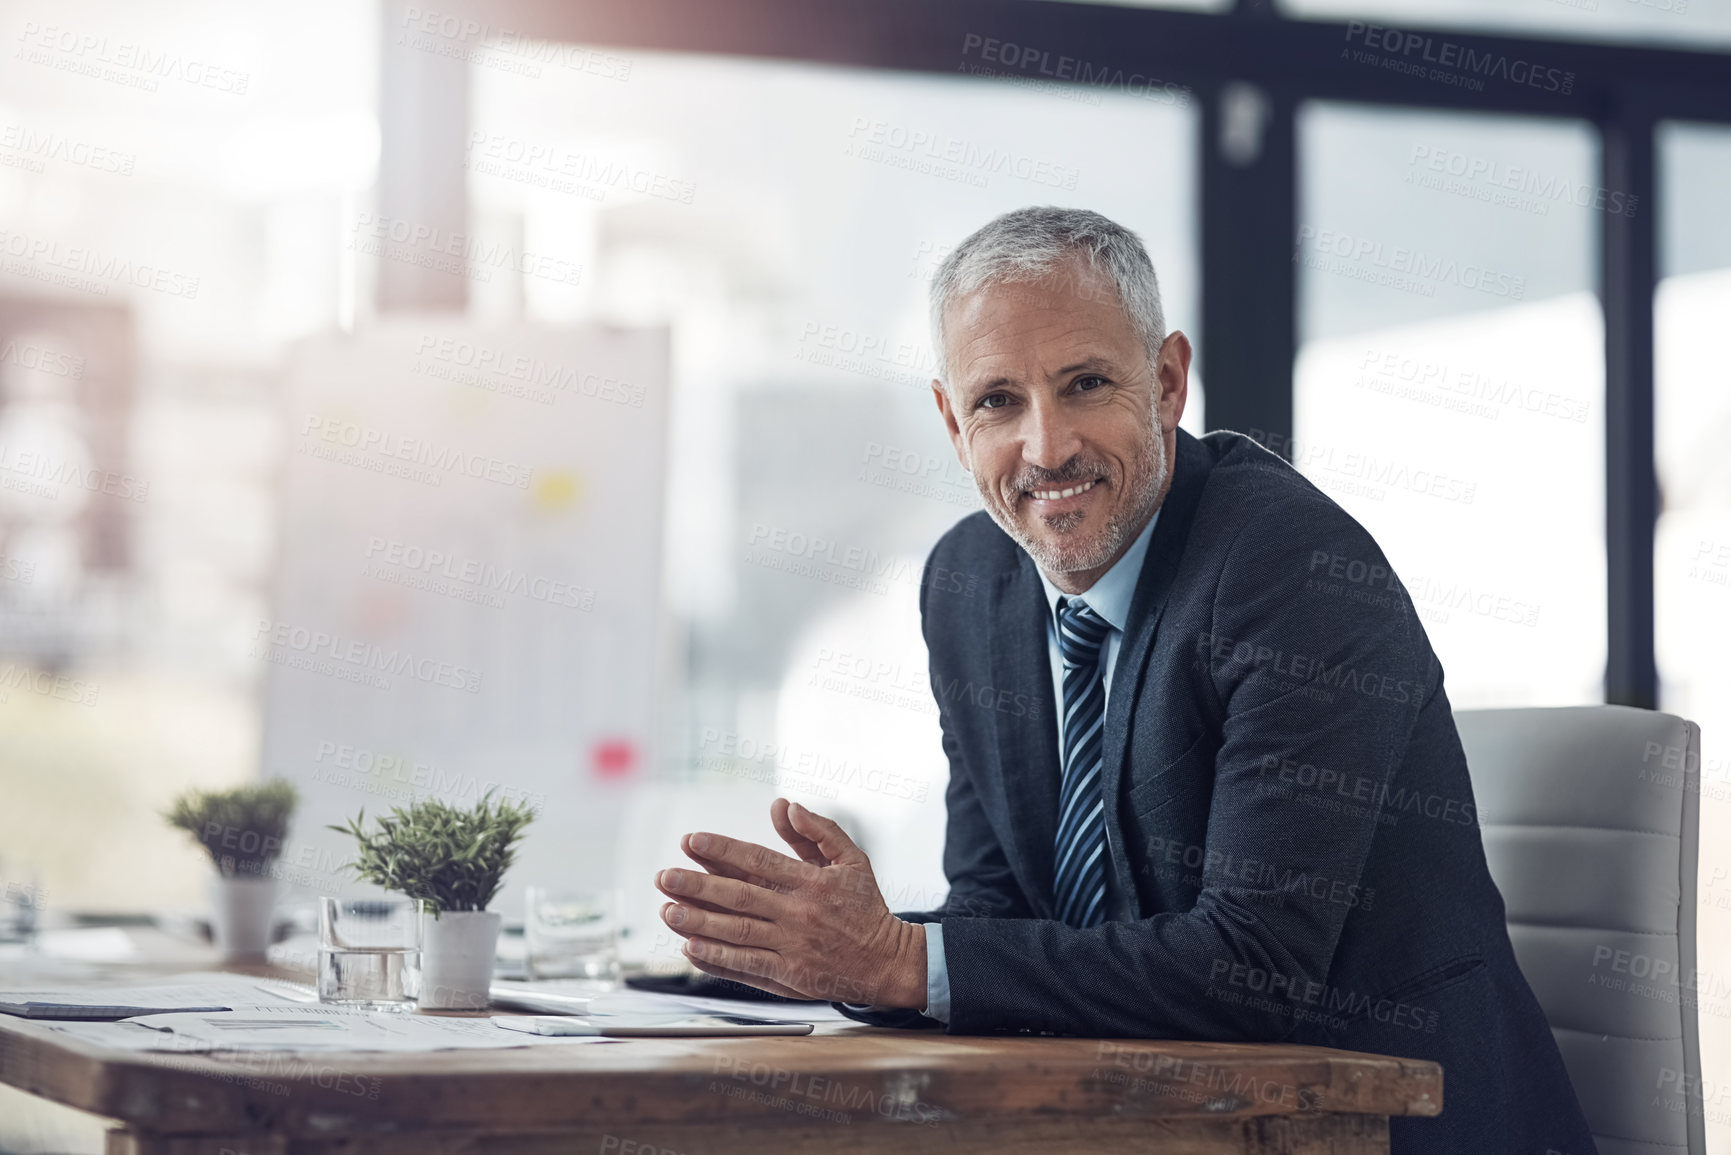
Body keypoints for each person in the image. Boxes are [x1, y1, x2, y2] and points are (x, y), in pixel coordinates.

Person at [653, 206, 1597, 1153]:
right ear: (950, 421)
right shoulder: (968, 585)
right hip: (1142, 1121)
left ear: (1167, 382)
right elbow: (998, 910)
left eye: (1086, 383)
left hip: (1392, 1123)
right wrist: (822, 952)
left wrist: (898, 959)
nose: (1046, 446)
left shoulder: (1290, 568)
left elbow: (1253, 968)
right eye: (996, 402)